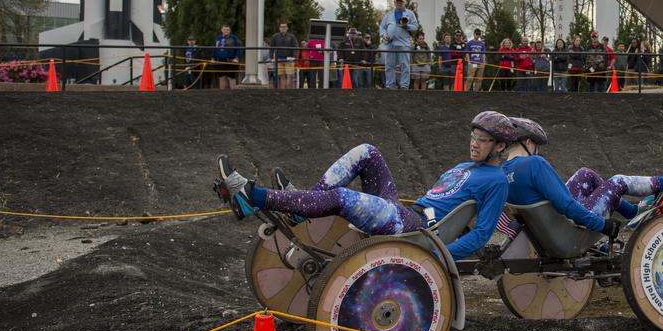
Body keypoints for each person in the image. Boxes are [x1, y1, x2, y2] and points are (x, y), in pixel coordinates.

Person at [216, 111, 514, 260]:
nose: (474, 144)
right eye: (473, 137)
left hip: (416, 229)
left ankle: (252, 196)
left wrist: (438, 256)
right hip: (406, 213)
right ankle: (301, 208)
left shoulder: (497, 181)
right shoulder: (465, 166)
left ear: (500, 146)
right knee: (367, 151)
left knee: (342, 198)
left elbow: (481, 235)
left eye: (482, 140)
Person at [500, 116, 663, 235]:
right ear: (527, 141)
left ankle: (633, 212)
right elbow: (566, 205)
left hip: (549, 229)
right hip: (570, 228)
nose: (537, 149)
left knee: (586, 174)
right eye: (536, 144)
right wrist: (603, 225)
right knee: (618, 181)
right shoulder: (534, 164)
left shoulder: (502, 172)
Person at [380, 0, 420, 90]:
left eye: (401, 2)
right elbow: (382, 27)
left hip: (403, 44)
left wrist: (407, 26)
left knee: (405, 65)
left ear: (404, 3)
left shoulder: (410, 13)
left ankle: (404, 86)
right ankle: (390, 85)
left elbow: (415, 27)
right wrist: (384, 35)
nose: (399, 3)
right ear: (394, 2)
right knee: (389, 65)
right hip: (390, 43)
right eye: (397, 2)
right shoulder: (389, 14)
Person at [270, 22, 300, 89]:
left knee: (290, 75)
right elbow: (271, 47)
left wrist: (294, 57)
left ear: (287, 28)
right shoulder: (275, 36)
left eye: (284, 27)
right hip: (279, 59)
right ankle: (282, 91)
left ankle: (288, 90)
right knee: (281, 76)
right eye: (281, 27)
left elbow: (296, 46)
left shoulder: (291, 36)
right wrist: (271, 57)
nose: (283, 28)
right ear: (279, 28)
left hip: (289, 59)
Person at [212, 24, 242, 89]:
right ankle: (222, 94)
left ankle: (233, 93)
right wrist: (213, 58)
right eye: (224, 29)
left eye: (227, 30)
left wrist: (236, 58)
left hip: (230, 60)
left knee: (231, 77)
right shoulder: (218, 38)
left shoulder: (234, 38)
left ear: (230, 30)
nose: (226, 31)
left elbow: (239, 48)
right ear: (221, 30)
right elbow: (214, 48)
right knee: (221, 77)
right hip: (220, 60)